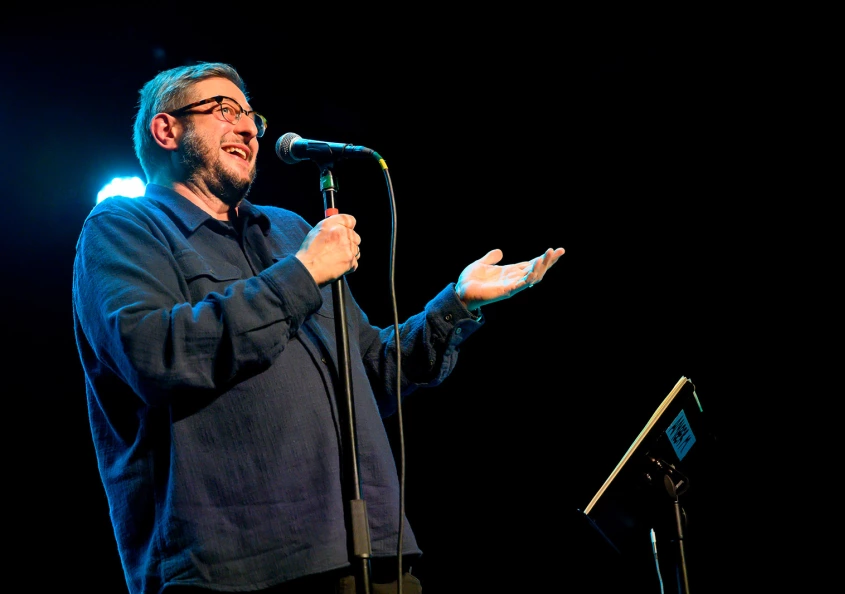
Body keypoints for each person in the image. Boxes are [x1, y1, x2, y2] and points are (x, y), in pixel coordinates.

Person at [72, 61, 565, 594]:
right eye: (223, 110)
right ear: (166, 129)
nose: (246, 128)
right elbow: (156, 355)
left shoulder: (288, 230)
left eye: (251, 117)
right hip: (240, 566)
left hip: (373, 555)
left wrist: (457, 304)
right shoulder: (123, 228)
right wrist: (302, 274)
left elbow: (373, 373)